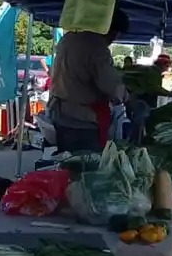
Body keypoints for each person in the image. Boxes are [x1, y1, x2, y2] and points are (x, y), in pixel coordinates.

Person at [47, 8, 130, 152]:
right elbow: (110, 85)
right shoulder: (96, 47)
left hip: (59, 112)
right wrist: (128, 99)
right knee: (86, 162)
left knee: (66, 159)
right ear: (111, 31)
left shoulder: (68, 38)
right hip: (81, 118)